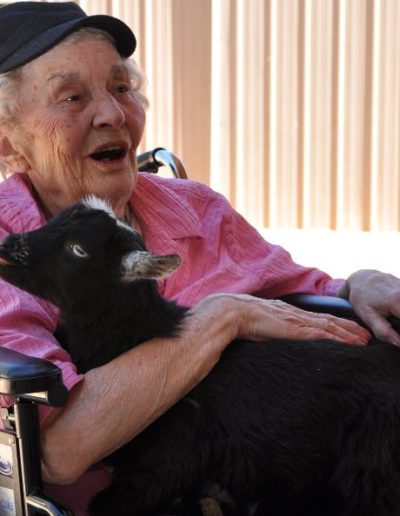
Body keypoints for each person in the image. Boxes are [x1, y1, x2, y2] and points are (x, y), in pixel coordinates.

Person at [0, 2, 398, 514]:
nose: (113, 114)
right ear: (10, 144)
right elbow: (60, 450)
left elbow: (302, 299)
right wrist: (218, 319)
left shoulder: (195, 207)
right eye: (72, 97)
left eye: (122, 89)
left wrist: (357, 284)